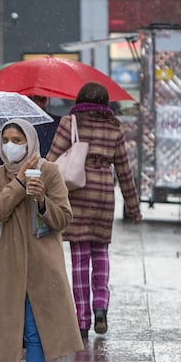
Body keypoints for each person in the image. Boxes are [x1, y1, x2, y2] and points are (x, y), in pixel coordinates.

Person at [0, 118, 83, 362]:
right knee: (5, 331)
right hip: (9, 264)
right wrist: (20, 182)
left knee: (36, 333)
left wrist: (40, 199)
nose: (11, 145)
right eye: (6, 139)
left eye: (18, 139)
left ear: (30, 142)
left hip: (42, 263)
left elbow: (63, 217)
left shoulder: (49, 171)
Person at [46, 82, 142, 339]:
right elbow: (124, 170)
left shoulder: (71, 122)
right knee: (101, 253)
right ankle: (101, 305)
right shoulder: (115, 127)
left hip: (77, 192)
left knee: (79, 257)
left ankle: (82, 319)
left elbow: (52, 158)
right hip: (103, 196)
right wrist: (133, 208)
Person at [0, 95, 61, 170]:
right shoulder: (60, 124)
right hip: (50, 174)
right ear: (45, 100)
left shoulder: (11, 125)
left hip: (15, 176)